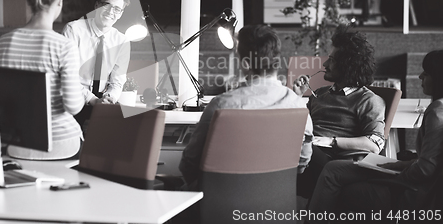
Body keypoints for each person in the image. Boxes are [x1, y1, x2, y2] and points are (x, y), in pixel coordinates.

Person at [306, 50, 443, 222]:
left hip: (417, 186)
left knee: (332, 170)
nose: (420, 76)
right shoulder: (320, 93)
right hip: (412, 171)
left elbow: (426, 169)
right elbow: (431, 160)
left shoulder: (437, 112)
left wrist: (393, 172)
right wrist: (400, 163)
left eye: (427, 73)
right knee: (331, 168)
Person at [179, 24, 313, 190]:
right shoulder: (299, 107)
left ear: (246, 63)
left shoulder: (221, 106)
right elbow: (302, 163)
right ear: (277, 61)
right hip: (276, 204)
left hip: (218, 203)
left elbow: (189, 164)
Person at [0, 0, 84, 160]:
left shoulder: (3, 42)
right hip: (62, 145)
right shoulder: (64, 46)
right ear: (60, 1)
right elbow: (73, 106)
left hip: (18, 145)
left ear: (29, 0)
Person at [294, 25, 386, 198]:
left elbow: (375, 144)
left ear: (347, 65)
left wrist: (330, 141)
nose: (325, 64)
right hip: (306, 152)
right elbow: (299, 126)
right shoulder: (320, 93)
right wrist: (297, 98)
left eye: (332, 60)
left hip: (330, 161)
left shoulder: (369, 100)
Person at [63, 0, 131, 128]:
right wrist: (92, 100)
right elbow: (67, 77)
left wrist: (109, 98)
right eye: (107, 5)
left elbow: (117, 82)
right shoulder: (73, 30)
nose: (111, 12)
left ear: (120, 14)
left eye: (117, 9)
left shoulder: (122, 41)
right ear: (96, 5)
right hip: (73, 99)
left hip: (102, 103)